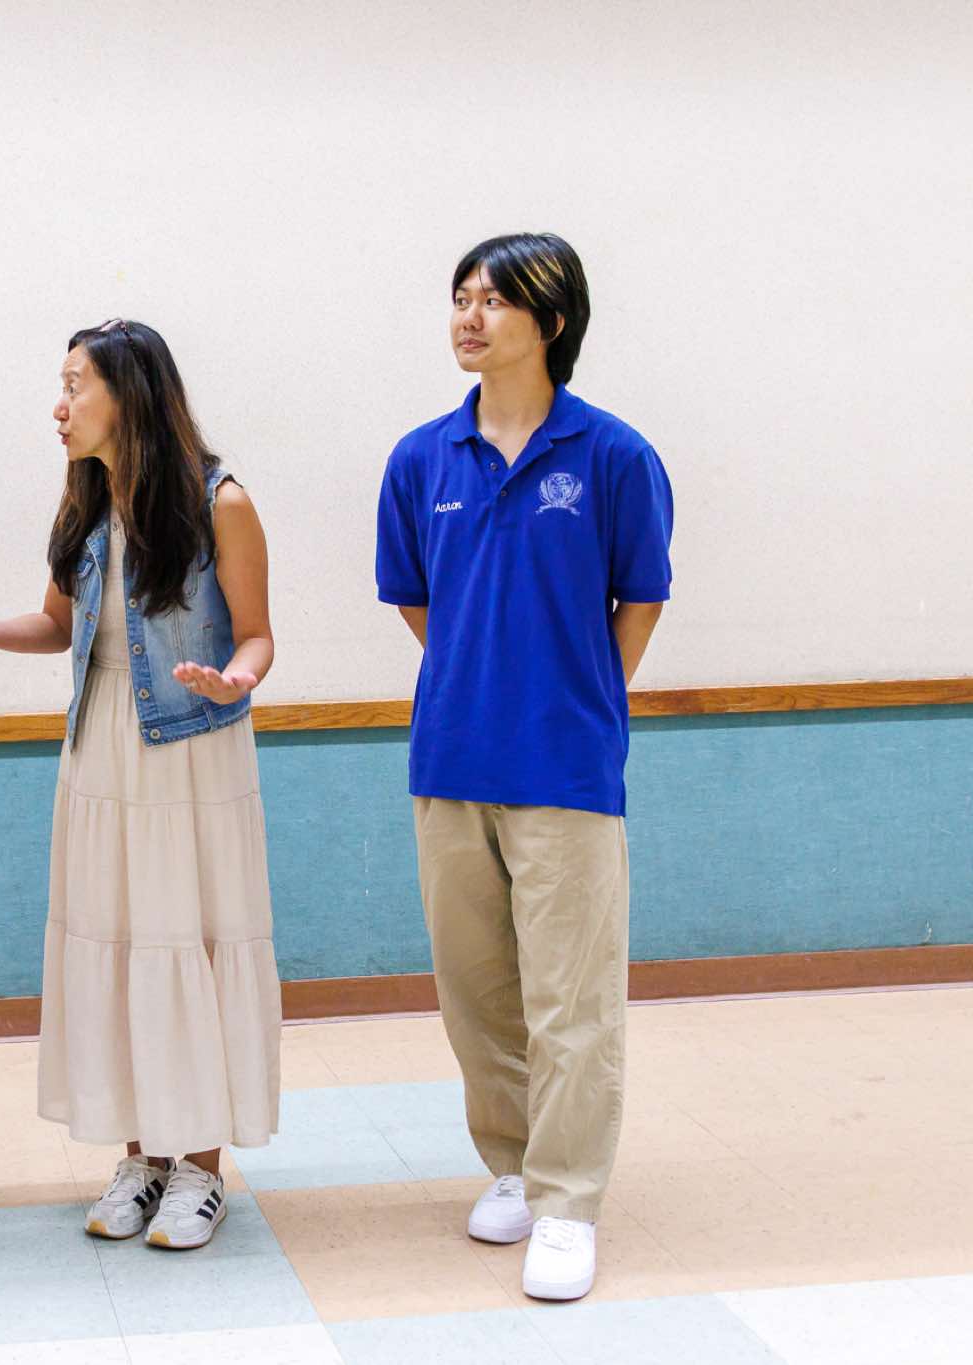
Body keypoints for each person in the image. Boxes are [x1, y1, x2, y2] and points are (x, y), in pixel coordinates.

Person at [0, 319, 280, 1251]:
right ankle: (142, 1157)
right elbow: (59, 625)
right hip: (100, 747)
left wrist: (233, 679)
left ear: (131, 392)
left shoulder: (221, 501)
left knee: (186, 941)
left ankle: (200, 1167)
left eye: (75, 383)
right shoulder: (84, 499)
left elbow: (257, 636)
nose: (59, 405)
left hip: (192, 750)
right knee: (118, 943)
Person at [373, 233, 673, 1301]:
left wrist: (577, 693)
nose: (469, 315)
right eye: (460, 296)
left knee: (570, 998)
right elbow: (417, 602)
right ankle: (510, 1164)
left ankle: (567, 1201)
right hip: (450, 757)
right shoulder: (420, 459)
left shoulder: (614, 456)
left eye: (494, 299)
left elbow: (640, 596)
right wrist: (482, 678)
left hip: (567, 767)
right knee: (478, 992)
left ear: (550, 322)